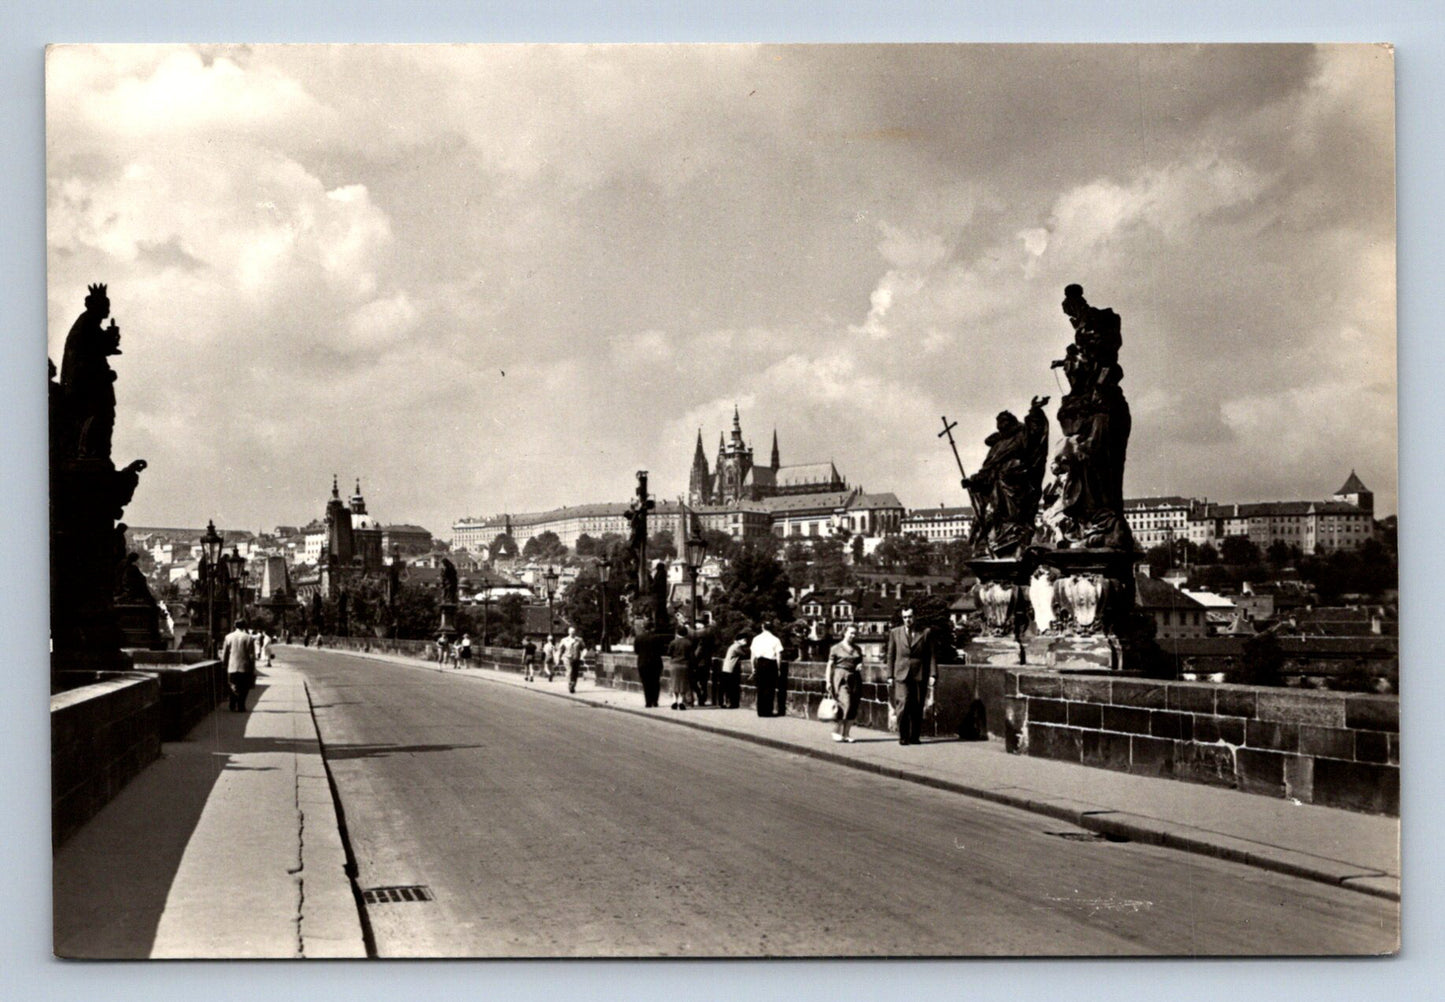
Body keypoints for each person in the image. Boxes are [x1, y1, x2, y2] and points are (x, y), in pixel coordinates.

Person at [885, 607, 938, 746]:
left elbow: (931, 654)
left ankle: (915, 736)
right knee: (902, 704)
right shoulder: (895, 633)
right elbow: (890, 655)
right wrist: (889, 675)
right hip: (901, 674)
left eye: (910, 616)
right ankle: (903, 736)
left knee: (917, 705)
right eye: (905, 617)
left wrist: (933, 673)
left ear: (915, 616)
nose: (908, 620)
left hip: (919, 673)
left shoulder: (925, 632)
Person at [827, 625, 865, 743]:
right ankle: (836, 731)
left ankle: (846, 733)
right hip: (841, 677)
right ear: (844, 633)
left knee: (853, 705)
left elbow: (860, 663)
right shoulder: (836, 648)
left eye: (855, 633)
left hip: (855, 678)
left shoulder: (857, 649)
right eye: (851, 633)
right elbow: (830, 665)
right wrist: (828, 681)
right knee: (845, 703)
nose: (853, 636)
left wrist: (860, 666)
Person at [222, 618, 257, 713]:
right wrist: (253, 667)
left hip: (232, 666)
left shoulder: (228, 637)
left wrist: (224, 664)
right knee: (244, 687)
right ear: (245, 626)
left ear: (234, 626)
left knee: (232, 685)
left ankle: (233, 702)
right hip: (245, 667)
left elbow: (225, 653)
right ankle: (241, 705)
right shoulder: (249, 638)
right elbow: (251, 655)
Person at [750, 620, 784, 717]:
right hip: (771, 664)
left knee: (760, 688)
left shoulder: (756, 639)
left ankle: (760, 711)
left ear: (762, 627)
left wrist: (753, 667)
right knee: (770, 688)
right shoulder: (775, 639)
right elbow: (779, 655)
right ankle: (768, 711)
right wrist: (778, 668)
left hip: (760, 663)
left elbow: (752, 656)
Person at [634, 619, 664, 708]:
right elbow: (661, 651)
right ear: (652, 628)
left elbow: (636, 651)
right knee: (655, 682)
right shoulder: (657, 637)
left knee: (646, 683)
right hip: (655, 663)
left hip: (643, 663)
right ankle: (655, 701)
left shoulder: (639, 638)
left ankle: (648, 701)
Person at [719, 631, 749, 709]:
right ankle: (731, 703)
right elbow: (745, 654)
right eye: (744, 640)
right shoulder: (737, 647)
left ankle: (723, 703)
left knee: (726, 687)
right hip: (730, 669)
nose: (745, 641)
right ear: (739, 640)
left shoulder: (733, 646)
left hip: (726, 668)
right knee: (731, 687)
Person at [667, 622, 693, 710]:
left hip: (674, 664)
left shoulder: (673, 642)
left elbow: (669, 653)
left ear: (677, 633)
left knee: (674, 682)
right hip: (685, 665)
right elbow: (691, 655)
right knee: (683, 683)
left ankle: (674, 700)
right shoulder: (689, 643)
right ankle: (681, 701)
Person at [558, 627, 586, 692]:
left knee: (575, 673)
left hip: (576, 658)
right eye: (571, 632)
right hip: (567, 658)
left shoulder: (579, 640)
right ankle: (570, 684)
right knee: (569, 671)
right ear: (568, 632)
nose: (572, 633)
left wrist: (583, 656)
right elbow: (560, 650)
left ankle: (573, 685)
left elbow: (584, 649)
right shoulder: (564, 640)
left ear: (575, 632)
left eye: (573, 632)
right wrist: (558, 658)